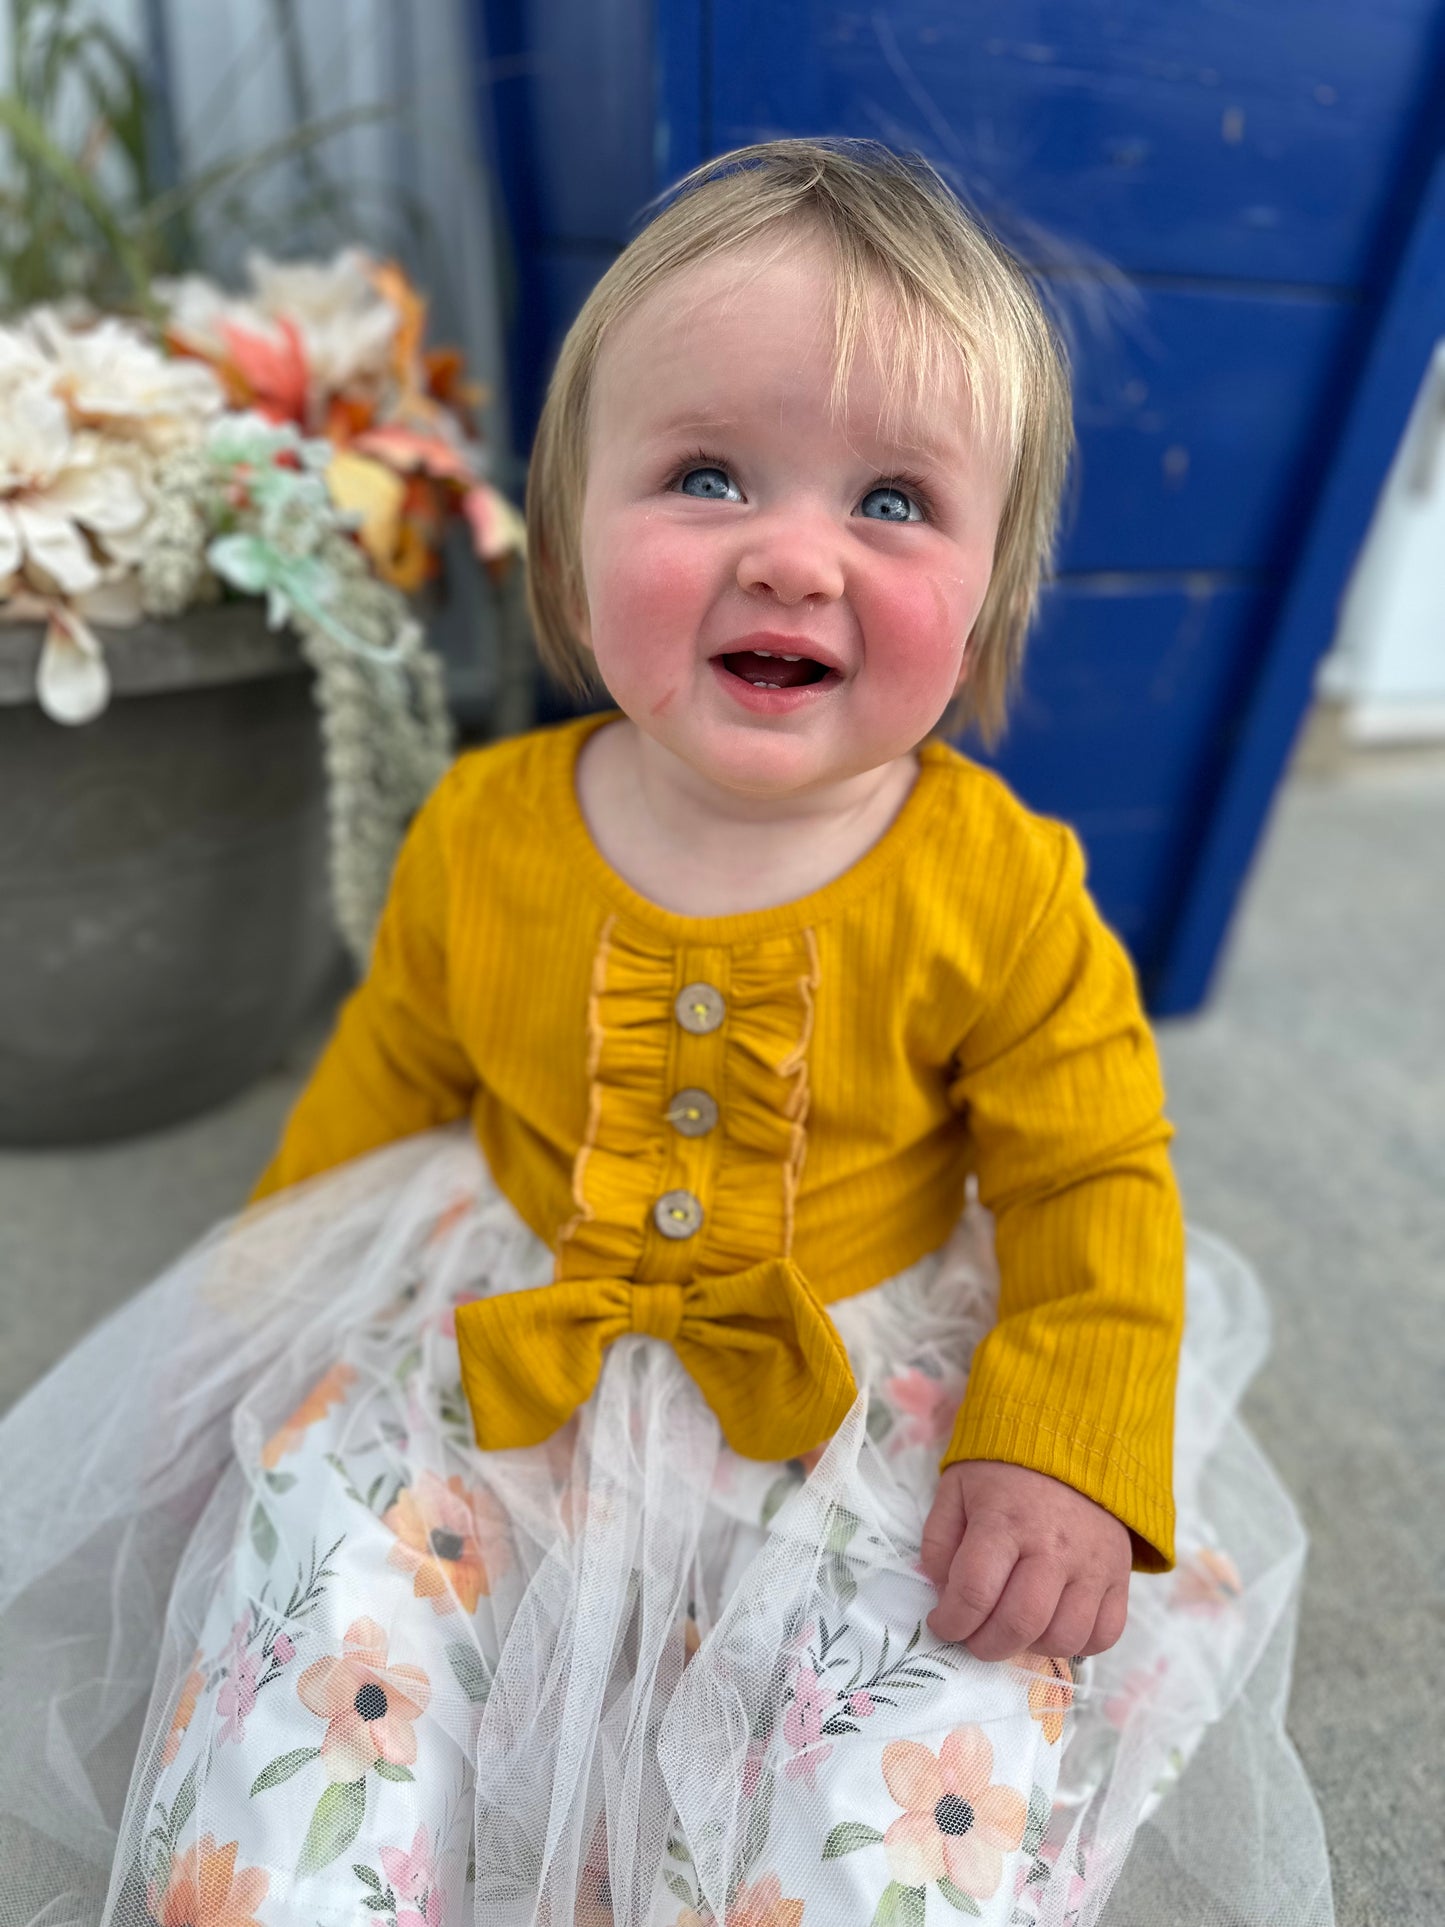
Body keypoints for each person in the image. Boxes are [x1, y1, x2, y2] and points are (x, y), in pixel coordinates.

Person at [0, 140, 1332, 1927]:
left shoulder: (1002, 887)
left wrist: (1055, 1442)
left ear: (990, 595)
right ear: (567, 538)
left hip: (858, 1392)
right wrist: (245, 1319)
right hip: (496, 1341)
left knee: (926, 1705)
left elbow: (1093, 1172)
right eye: (707, 475)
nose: (792, 555)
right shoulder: (480, 831)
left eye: (890, 503)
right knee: (323, 1580)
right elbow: (387, 1076)